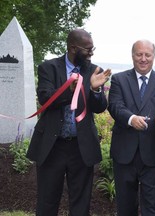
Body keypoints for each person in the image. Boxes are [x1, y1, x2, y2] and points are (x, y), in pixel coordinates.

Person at [26, 28, 111, 216]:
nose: (91, 53)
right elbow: (45, 98)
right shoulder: (49, 68)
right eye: (88, 49)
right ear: (73, 48)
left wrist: (96, 91)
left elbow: (99, 107)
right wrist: (70, 90)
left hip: (81, 147)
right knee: (47, 202)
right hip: (52, 146)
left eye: (92, 49)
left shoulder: (93, 70)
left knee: (81, 204)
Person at [107, 39, 155, 216]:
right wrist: (131, 119)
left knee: (153, 207)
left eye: (147, 55)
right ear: (132, 56)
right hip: (124, 154)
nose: (143, 59)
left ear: (154, 56)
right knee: (125, 207)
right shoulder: (119, 79)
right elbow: (115, 106)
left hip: (153, 154)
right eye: (139, 54)